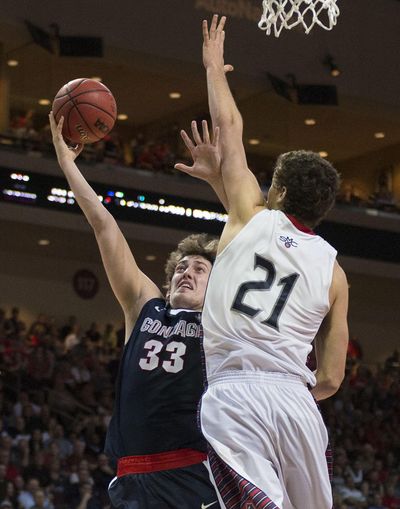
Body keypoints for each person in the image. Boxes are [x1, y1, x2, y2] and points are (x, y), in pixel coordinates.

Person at [176, 15, 349, 509]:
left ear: (278, 190)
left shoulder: (250, 215)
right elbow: (333, 377)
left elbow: (228, 127)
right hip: (297, 403)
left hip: (235, 394)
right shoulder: (336, 274)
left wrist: (213, 67)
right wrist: (287, 397)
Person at [48, 112, 223, 508]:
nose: (187, 273)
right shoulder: (146, 307)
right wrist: (67, 165)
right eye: (181, 267)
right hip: (130, 475)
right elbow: (105, 226)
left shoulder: (218, 322)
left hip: (188, 472)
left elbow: (249, 234)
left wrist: (219, 179)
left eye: (199, 269)